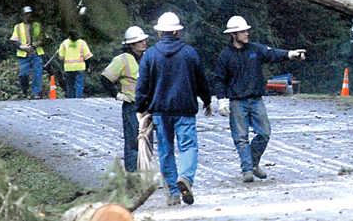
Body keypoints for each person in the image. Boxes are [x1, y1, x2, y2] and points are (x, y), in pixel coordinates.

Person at [214, 15, 306, 183]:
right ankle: (247, 170)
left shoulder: (255, 49)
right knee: (240, 138)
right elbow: (220, 79)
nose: (247, 33)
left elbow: (273, 54)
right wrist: (221, 100)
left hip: (256, 100)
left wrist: (290, 54)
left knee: (264, 133)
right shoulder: (225, 56)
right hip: (237, 101)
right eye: (243, 31)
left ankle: (253, 164)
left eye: (247, 30)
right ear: (233, 34)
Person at [136, 12, 212, 207]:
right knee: (188, 146)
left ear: (160, 32)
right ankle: (185, 177)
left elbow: (142, 85)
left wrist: (141, 108)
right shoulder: (189, 52)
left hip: (160, 112)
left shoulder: (150, 55)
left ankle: (172, 192)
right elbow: (201, 80)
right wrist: (207, 100)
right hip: (185, 110)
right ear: (177, 30)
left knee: (165, 150)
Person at [102, 26, 149, 172]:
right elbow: (105, 79)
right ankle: (133, 178)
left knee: (147, 143)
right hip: (132, 106)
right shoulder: (122, 60)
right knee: (133, 143)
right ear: (131, 45)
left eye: (143, 40)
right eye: (139, 41)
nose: (143, 43)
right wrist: (117, 94)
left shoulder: (149, 57)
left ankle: (145, 175)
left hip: (148, 106)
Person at [10, 6, 47, 99]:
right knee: (23, 74)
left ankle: (36, 93)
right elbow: (13, 40)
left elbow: (45, 38)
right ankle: (25, 90)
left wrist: (37, 43)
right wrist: (22, 47)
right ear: (22, 16)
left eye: (30, 14)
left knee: (37, 74)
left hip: (36, 54)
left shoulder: (37, 26)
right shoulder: (18, 27)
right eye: (26, 14)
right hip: (24, 55)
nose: (28, 16)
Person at [58, 31, 93, 98]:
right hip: (80, 67)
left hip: (69, 67)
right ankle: (78, 98)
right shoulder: (82, 43)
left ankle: (71, 99)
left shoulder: (64, 43)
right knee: (79, 85)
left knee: (70, 85)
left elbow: (61, 58)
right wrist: (87, 67)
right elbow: (87, 57)